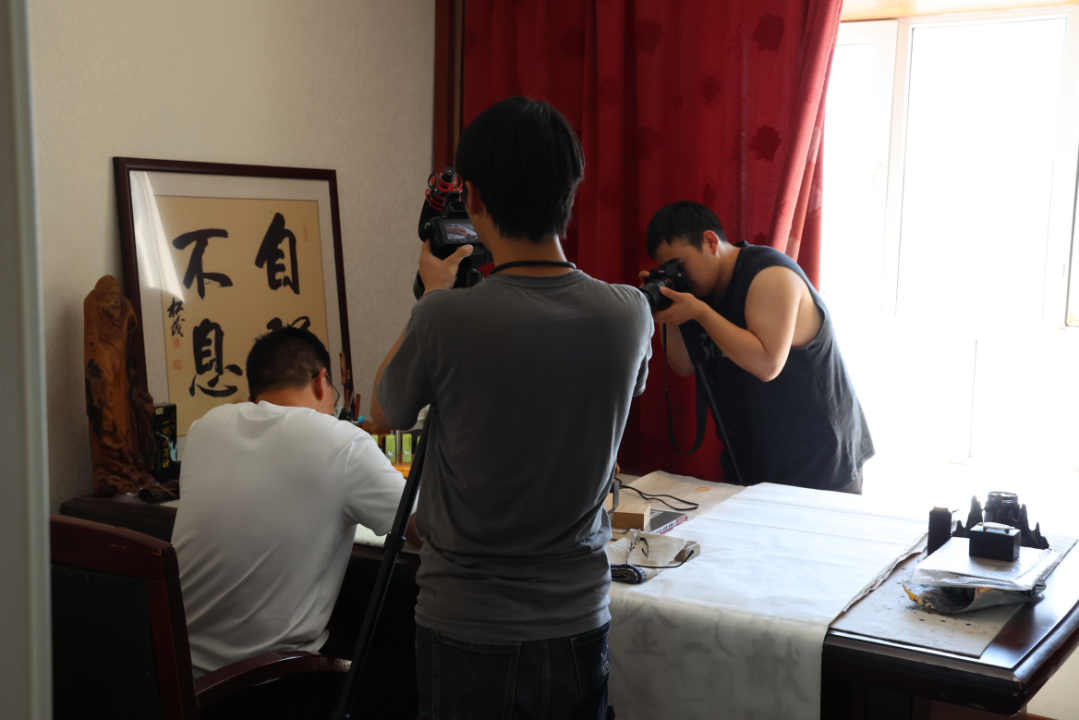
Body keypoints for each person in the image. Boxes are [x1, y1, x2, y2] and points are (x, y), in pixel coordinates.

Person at [371, 96, 653, 720]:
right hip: (579, 621)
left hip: (465, 623)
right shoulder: (629, 313)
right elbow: (621, 390)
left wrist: (430, 296)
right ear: (571, 191)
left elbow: (385, 413)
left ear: (471, 197)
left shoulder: (443, 317)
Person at [173, 326, 417, 680]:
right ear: (321, 381)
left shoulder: (204, 428)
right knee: (405, 665)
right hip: (270, 683)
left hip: (184, 679)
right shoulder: (342, 442)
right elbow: (424, 526)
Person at [642, 201, 873, 493]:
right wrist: (668, 305)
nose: (679, 275)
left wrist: (700, 312)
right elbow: (683, 364)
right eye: (668, 269)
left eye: (679, 265)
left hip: (820, 463)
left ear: (710, 241)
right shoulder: (700, 294)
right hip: (754, 462)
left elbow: (767, 364)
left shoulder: (769, 274)